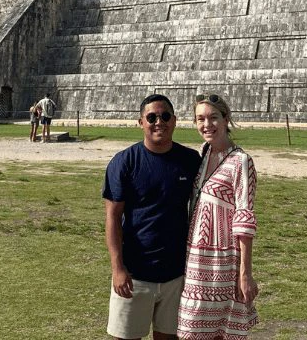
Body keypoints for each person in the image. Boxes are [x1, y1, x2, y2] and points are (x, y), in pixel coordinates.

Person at [103, 94, 202, 340]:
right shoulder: (124, 162)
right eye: (152, 117)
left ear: (175, 121)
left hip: (176, 274)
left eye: (165, 116)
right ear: (141, 123)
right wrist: (117, 268)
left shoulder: (190, 161)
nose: (159, 122)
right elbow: (112, 218)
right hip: (135, 273)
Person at [177, 93, 258, 340]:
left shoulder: (241, 162)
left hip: (222, 260)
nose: (206, 125)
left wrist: (245, 273)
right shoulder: (203, 154)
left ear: (226, 119)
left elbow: (244, 220)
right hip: (194, 258)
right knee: (190, 331)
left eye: (213, 118)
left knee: (221, 330)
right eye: (200, 119)